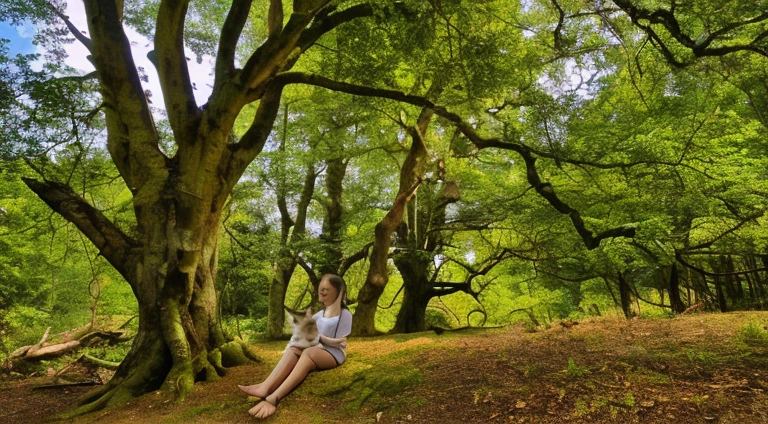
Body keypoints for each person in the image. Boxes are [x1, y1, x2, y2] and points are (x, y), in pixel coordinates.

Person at [239, 274, 352, 419]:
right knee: (294, 349)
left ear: (338, 291)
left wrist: (320, 338)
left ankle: (274, 398)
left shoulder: (345, 314)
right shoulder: (319, 314)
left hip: (334, 354)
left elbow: (341, 342)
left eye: (326, 289)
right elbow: (308, 334)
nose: (322, 292)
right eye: (321, 289)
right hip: (320, 348)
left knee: (308, 353)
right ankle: (265, 387)